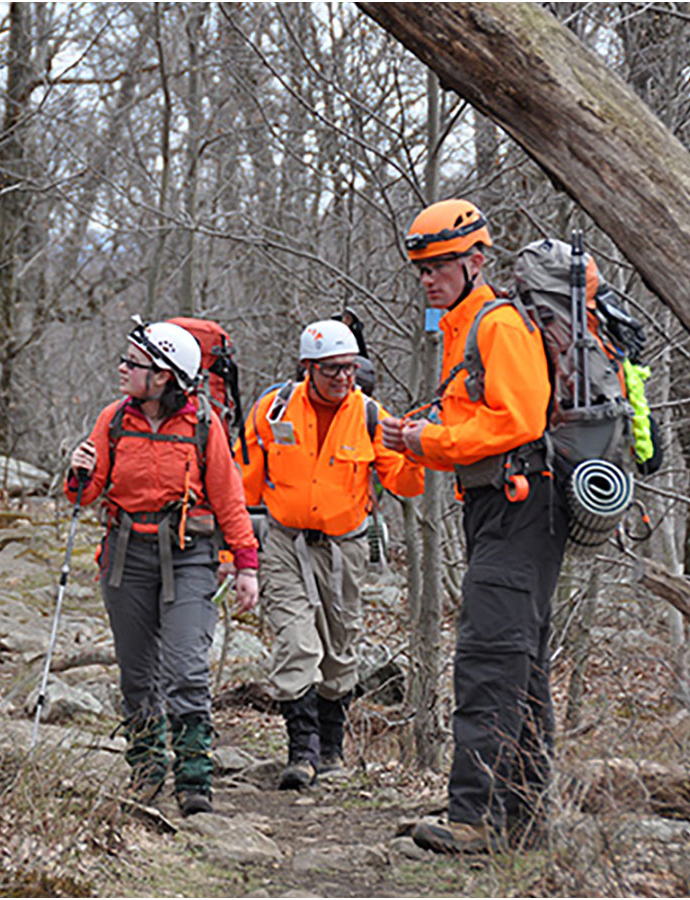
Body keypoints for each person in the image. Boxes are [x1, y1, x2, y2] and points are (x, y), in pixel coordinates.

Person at [381, 199, 569, 854]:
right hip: (497, 506)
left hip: (524, 504)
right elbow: (471, 419)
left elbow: (519, 419)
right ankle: (523, 817)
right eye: (421, 268)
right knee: (520, 663)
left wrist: (429, 438)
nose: (428, 278)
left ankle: (476, 816)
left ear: (475, 259)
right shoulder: (463, 328)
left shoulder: (497, 323)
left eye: (439, 265)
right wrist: (418, 436)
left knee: (489, 657)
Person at [67, 318, 259, 817]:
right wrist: (78, 473)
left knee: (187, 668)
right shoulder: (112, 419)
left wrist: (245, 565)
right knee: (137, 673)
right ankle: (147, 770)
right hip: (125, 557)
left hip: (189, 556)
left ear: (164, 377)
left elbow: (229, 499)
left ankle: (195, 778)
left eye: (134, 363)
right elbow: (87, 495)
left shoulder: (203, 425)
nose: (123, 369)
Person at [238, 319, 424, 789]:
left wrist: (417, 447)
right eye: (332, 370)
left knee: (340, 647)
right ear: (307, 368)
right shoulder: (273, 410)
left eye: (350, 368)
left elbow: (404, 482)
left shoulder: (370, 415)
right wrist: (233, 548)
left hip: (345, 548)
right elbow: (244, 483)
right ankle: (301, 753)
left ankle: (333, 750)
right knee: (297, 642)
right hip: (284, 543)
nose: (343, 378)